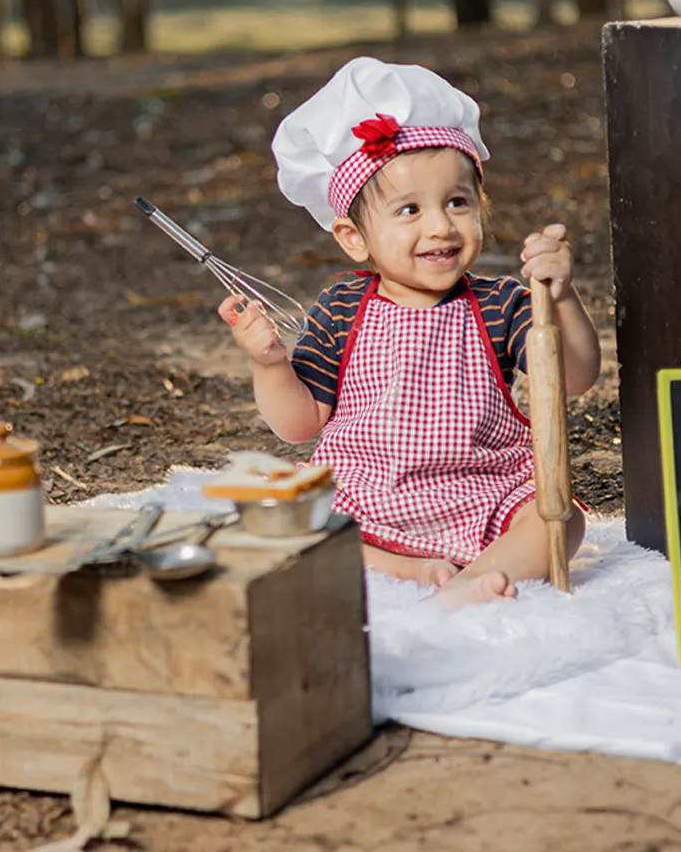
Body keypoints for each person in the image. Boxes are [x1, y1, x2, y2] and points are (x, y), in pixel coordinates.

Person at [221, 57, 601, 608]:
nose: (441, 226)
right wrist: (269, 364)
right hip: (367, 491)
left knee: (559, 520)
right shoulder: (342, 308)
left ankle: (470, 583)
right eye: (409, 210)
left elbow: (575, 377)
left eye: (457, 203)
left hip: (481, 488)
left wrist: (560, 296)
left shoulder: (500, 303)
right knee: (286, 517)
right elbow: (299, 424)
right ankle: (406, 569)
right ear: (354, 238)